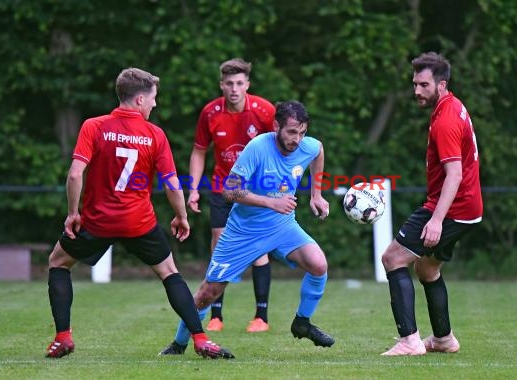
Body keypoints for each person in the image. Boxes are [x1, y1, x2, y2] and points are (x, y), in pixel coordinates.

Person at [44, 67, 233, 360]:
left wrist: (72, 213)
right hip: (139, 222)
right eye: (154, 98)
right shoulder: (154, 134)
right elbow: (171, 183)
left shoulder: (94, 126)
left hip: (98, 221)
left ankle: (63, 338)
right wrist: (181, 216)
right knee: (170, 273)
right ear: (140, 100)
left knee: (58, 263)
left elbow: (74, 175)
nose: (155, 104)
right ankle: (201, 338)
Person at [160, 100, 335, 355]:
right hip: (243, 232)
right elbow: (229, 191)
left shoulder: (308, 145)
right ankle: (179, 343)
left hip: (283, 227)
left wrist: (316, 195)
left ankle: (302, 323)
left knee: (319, 265)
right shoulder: (257, 148)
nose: (297, 139)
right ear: (276, 126)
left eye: (302, 133)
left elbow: (318, 151)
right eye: (291, 132)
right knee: (208, 293)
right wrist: (270, 202)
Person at [380, 52, 483, 356]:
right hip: (466, 209)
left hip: (452, 208)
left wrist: (436, 219)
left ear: (441, 84)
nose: (416, 90)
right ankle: (443, 340)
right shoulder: (450, 106)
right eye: (414, 84)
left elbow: (455, 174)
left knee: (393, 259)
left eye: (423, 84)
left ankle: (410, 340)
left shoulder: (446, 120)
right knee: (427, 269)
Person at [185, 58, 276, 333]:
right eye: (229, 83)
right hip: (222, 188)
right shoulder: (210, 112)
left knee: (259, 248)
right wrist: (192, 189)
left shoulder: (264, 111)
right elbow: (199, 150)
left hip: (256, 189)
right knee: (219, 246)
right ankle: (216, 316)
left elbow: (279, 148)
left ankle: (261, 317)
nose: (234, 88)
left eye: (239, 83)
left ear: (247, 84)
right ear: (221, 85)